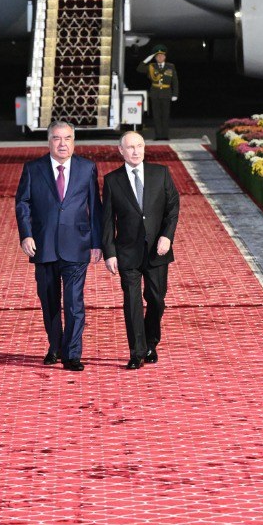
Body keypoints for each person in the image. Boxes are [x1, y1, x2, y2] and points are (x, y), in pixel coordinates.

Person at [14, 121, 102, 371]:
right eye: (56, 138)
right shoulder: (33, 168)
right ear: (49, 141)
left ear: (74, 141)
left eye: (67, 138)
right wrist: (26, 235)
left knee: (74, 303)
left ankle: (72, 353)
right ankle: (55, 347)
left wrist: (97, 242)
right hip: (43, 246)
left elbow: (95, 207)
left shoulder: (87, 168)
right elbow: (22, 204)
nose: (62, 144)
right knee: (49, 302)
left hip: (77, 244)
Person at [102, 131, 180, 369]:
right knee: (132, 302)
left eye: (139, 146)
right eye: (130, 147)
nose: (136, 151)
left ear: (145, 148)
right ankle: (136, 352)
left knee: (157, 299)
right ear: (121, 151)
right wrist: (109, 252)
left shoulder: (161, 173)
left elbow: (172, 207)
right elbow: (107, 220)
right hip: (127, 252)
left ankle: (150, 342)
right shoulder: (112, 180)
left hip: (157, 250)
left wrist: (167, 236)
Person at [137, 44, 178, 140]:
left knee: (165, 115)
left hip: (166, 94)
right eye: (158, 56)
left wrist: (175, 94)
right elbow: (139, 68)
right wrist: (147, 59)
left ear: (165, 57)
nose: (160, 57)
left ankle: (165, 135)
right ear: (155, 58)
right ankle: (158, 135)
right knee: (156, 116)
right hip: (155, 94)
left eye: (162, 55)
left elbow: (175, 81)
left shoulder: (170, 66)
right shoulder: (151, 66)